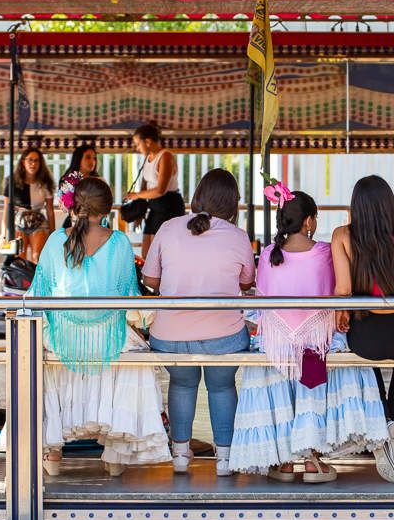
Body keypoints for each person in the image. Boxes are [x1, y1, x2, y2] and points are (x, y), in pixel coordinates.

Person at [229, 190, 394, 483]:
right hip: (316, 345)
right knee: (337, 364)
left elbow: (261, 303)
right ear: (309, 221)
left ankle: (283, 462)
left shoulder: (269, 253)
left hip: (276, 347)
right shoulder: (323, 252)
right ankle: (312, 461)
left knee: (279, 373)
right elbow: (338, 292)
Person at [28, 176, 170, 477]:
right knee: (138, 356)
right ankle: (115, 455)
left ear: (74, 205)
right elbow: (130, 300)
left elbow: (38, 294)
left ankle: (53, 453)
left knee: (43, 351)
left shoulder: (56, 241)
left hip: (63, 339)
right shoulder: (118, 242)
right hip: (109, 337)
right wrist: (148, 320)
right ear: (106, 209)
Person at [141, 168, 255, 477]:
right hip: (224, 335)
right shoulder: (238, 236)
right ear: (233, 203)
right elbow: (247, 283)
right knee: (221, 387)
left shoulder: (167, 227)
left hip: (170, 333)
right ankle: (225, 459)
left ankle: (180, 455)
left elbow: (149, 278)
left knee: (181, 383)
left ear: (198, 197)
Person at [331, 175, 394, 475]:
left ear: (356, 206)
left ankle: (383, 428)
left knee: (366, 364)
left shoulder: (342, 236)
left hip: (366, 332)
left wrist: (340, 315)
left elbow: (343, 290)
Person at [125, 123, 185, 259]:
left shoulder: (166, 156)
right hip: (154, 206)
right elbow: (144, 186)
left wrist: (136, 195)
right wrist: (139, 212)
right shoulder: (147, 158)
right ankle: (150, 280)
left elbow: (160, 190)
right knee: (147, 252)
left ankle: (164, 280)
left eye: (138, 144)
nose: (137, 148)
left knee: (160, 254)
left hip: (169, 205)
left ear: (147, 141)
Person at [0, 147, 56, 263]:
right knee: (20, 258)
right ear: (23, 161)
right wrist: (3, 234)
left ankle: (38, 281)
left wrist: (52, 233)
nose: (33, 163)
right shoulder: (11, 182)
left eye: (36, 160)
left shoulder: (45, 183)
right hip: (19, 221)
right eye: (30, 160)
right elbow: (6, 210)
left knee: (38, 257)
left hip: (38, 221)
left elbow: (50, 210)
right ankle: (23, 281)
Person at [59, 144, 99, 229]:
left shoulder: (99, 181)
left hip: (97, 222)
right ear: (78, 159)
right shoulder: (67, 180)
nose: (92, 161)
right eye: (88, 157)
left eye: (94, 158)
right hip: (74, 222)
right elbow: (64, 206)